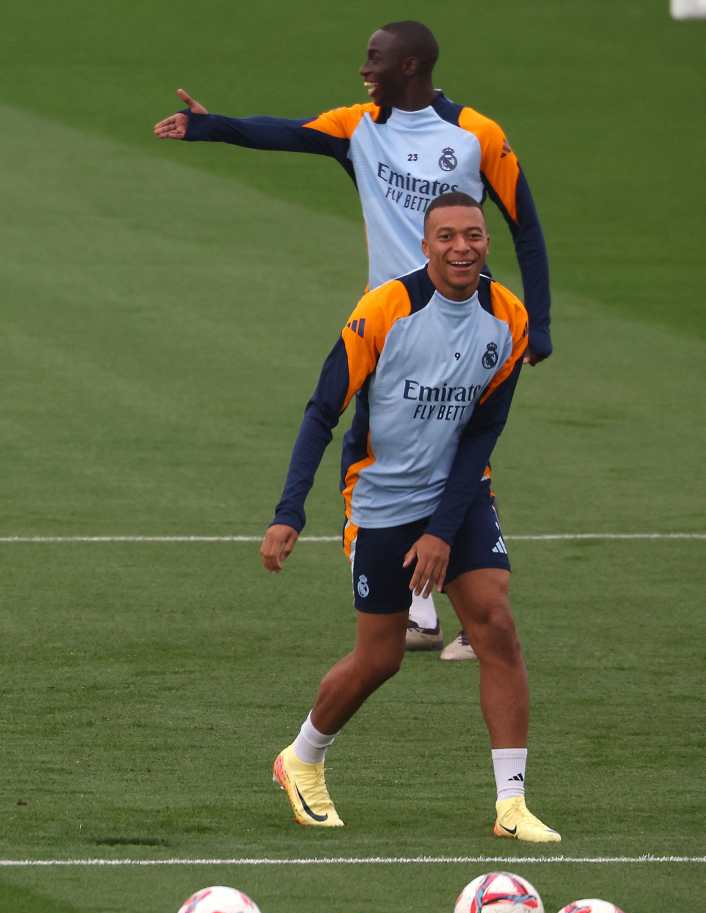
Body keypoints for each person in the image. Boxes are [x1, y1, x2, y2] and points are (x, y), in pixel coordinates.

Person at [153, 20, 553, 661]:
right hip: (389, 319)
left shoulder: (477, 135)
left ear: (413, 66)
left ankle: (457, 607)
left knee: (450, 442)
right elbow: (287, 132)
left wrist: (542, 324)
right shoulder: (360, 126)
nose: (364, 70)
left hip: (463, 315)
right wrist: (211, 125)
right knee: (392, 442)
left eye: (376, 59)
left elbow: (524, 226)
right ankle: (423, 607)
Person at [260, 193, 560, 844]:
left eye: (474, 235)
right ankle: (302, 758)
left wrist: (442, 531)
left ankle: (512, 804)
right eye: (446, 236)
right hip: (380, 498)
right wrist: (290, 512)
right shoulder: (385, 310)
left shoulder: (506, 317)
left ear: (487, 243)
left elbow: (483, 431)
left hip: (457, 489)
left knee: (496, 623)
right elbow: (321, 410)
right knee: (382, 658)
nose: (461, 247)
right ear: (425, 246)